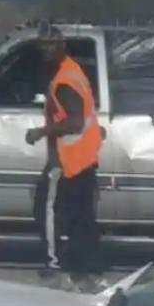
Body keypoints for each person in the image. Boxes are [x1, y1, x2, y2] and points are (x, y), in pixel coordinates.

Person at [25, 21, 104, 289]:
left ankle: (54, 267)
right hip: (84, 157)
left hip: (67, 160)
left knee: (47, 212)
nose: (46, 49)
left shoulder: (63, 83)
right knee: (82, 218)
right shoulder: (72, 70)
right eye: (42, 45)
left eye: (51, 44)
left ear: (61, 46)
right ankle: (88, 272)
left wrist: (41, 132)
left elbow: (75, 121)